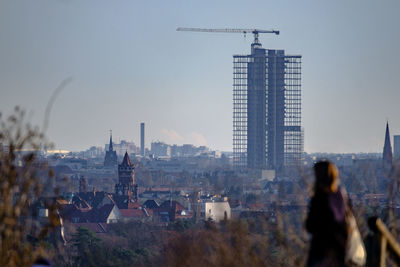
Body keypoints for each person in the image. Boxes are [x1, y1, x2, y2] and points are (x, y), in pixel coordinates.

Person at [306, 160, 349, 267]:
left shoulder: (320, 198)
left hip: (321, 251)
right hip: (341, 248)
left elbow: (310, 225)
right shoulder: (341, 194)